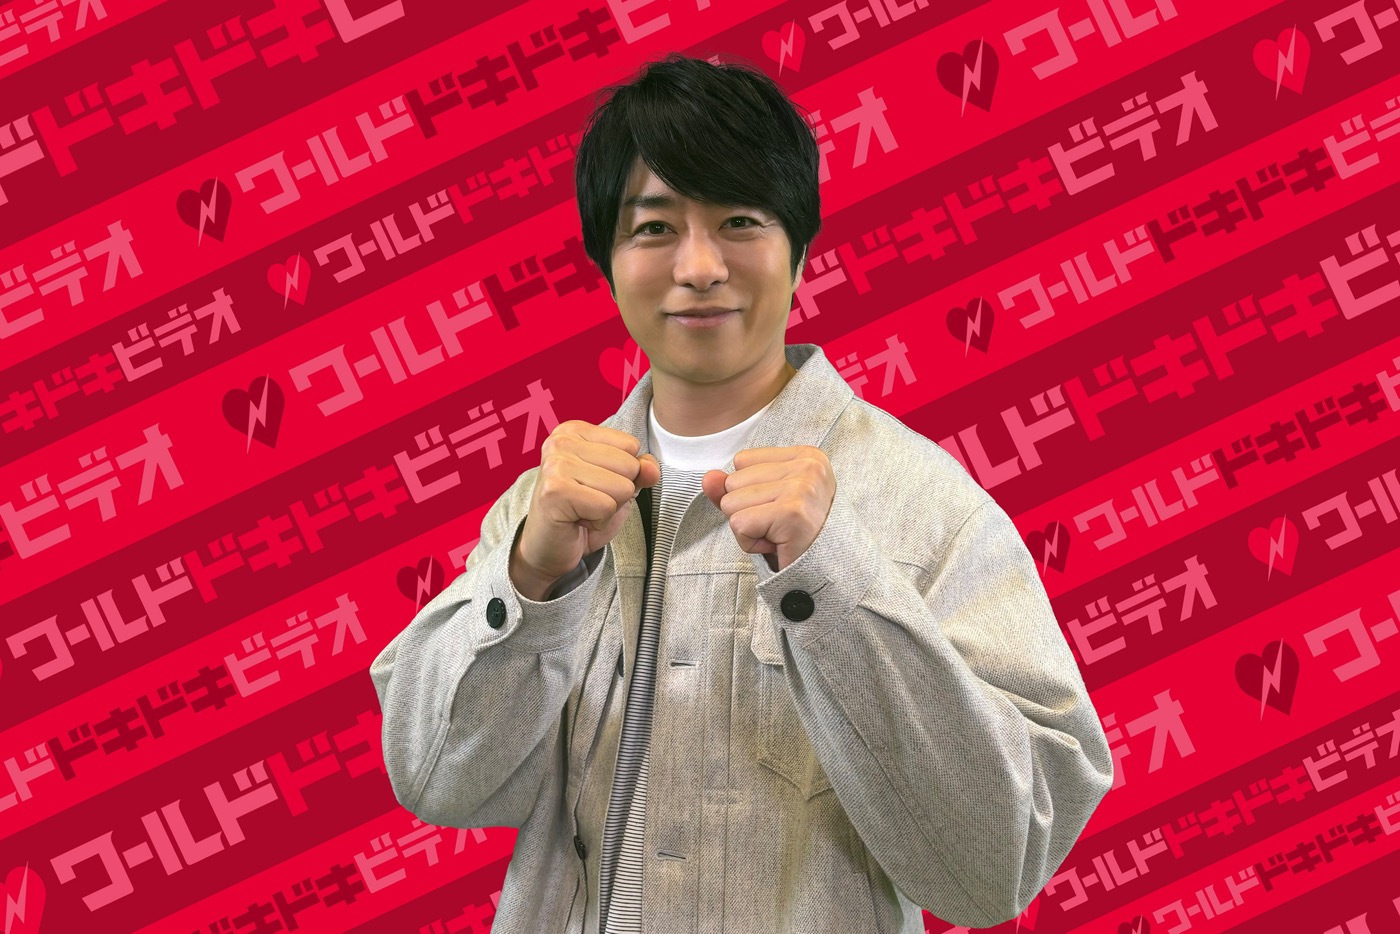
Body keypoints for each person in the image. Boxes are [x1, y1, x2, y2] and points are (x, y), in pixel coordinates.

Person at [370, 52, 1114, 933]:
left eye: (739, 221)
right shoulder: (544, 507)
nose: (699, 266)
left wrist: (835, 578)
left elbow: (997, 866)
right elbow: (440, 781)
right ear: (606, 260)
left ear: (799, 251)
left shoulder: (926, 505)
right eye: (653, 228)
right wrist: (531, 578)